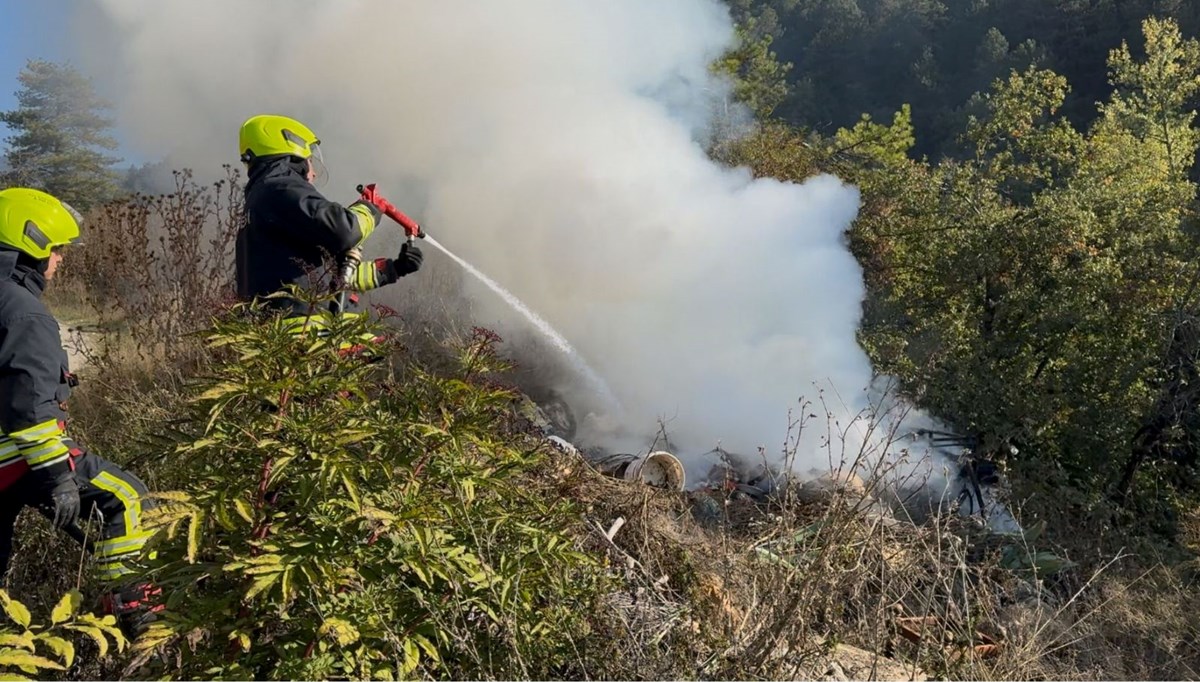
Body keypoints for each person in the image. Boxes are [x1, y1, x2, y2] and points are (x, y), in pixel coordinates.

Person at [0, 187, 157, 629]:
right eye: (56, 248)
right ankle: (132, 618)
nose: (61, 259)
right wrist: (58, 479)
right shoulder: (23, 312)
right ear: (31, 244)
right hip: (15, 459)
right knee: (126, 495)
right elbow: (28, 412)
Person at [235, 114, 424, 333]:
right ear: (292, 150)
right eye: (310, 161)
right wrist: (369, 209)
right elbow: (344, 230)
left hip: (289, 335)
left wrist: (394, 269)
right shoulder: (280, 188)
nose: (313, 173)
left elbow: (330, 277)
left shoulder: (265, 199)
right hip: (302, 335)